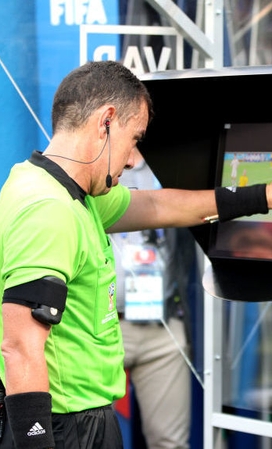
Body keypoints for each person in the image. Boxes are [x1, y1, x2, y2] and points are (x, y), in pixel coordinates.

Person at [0, 60, 272, 449]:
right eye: (134, 138)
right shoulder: (49, 209)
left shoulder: (61, 191)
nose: (131, 159)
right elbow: (20, 345)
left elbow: (161, 206)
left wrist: (263, 196)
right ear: (106, 121)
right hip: (64, 428)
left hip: (79, 421)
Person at [109, 149, 195, 449]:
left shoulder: (176, 165)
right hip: (103, 327)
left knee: (170, 442)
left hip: (164, 326)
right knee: (90, 437)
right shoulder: (95, 162)